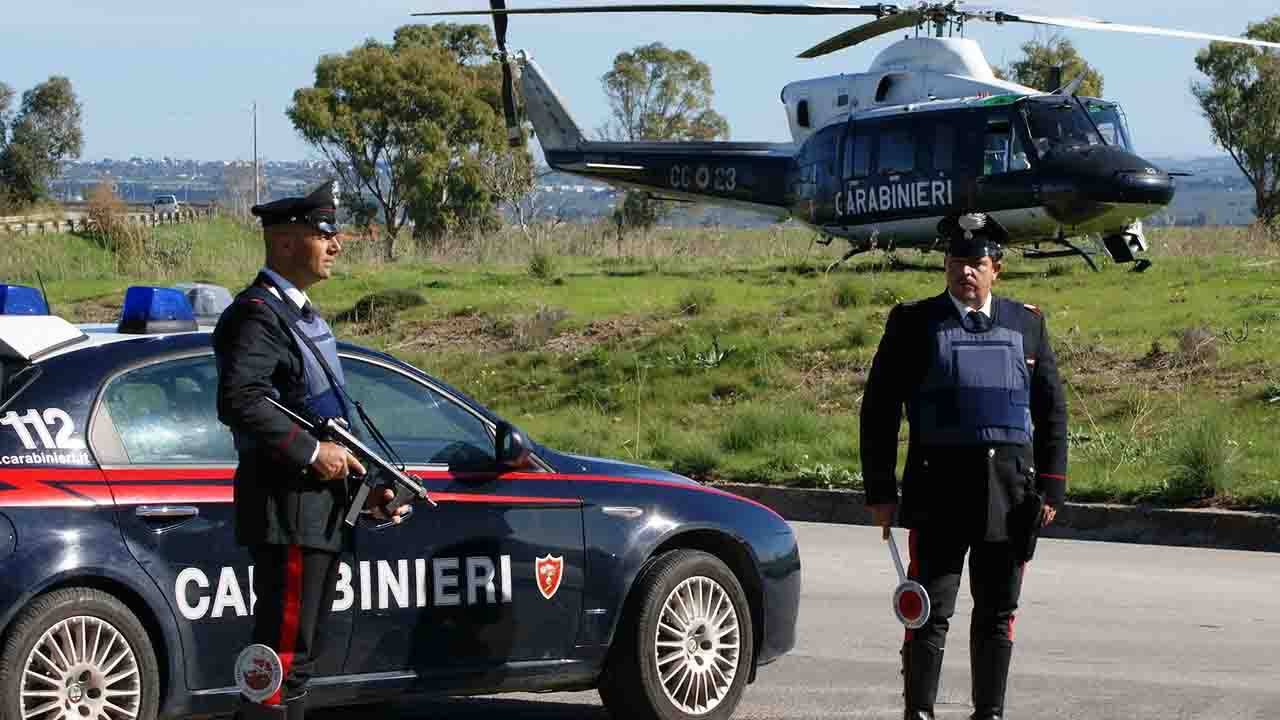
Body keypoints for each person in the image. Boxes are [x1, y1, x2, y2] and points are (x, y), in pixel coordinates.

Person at [859, 213, 1068, 720]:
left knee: (997, 614)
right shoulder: (913, 323)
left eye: (976, 263)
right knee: (928, 613)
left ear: (996, 268)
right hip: (938, 495)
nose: (965, 273)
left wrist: (1052, 489)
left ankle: (988, 713)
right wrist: (881, 492)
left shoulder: (1027, 323)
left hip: (1010, 497)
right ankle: (920, 712)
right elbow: (880, 409)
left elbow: (1051, 411)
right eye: (956, 262)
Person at [214, 180, 407, 720]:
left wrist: (365, 484)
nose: (336, 243)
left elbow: (327, 416)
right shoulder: (257, 312)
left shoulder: (298, 314)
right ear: (283, 242)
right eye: (324, 232)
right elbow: (240, 399)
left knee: (296, 661)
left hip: (317, 511)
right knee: (281, 659)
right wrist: (310, 454)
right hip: (289, 509)